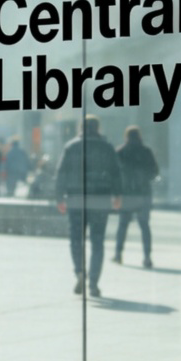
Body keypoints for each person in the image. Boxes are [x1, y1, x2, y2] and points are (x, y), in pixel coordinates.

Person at [55, 114, 122, 298]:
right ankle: (93, 283)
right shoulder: (107, 147)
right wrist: (117, 195)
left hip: (76, 198)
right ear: (98, 128)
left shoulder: (71, 146)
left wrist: (59, 197)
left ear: (81, 128)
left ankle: (79, 272)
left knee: (76, 238)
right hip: (100, 199)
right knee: (98, 241)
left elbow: (61, 173)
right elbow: (116, 173)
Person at [113, 125, 160, 268]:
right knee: (144, 226)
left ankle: (118, 254)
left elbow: (114, 175)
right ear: (139, 136)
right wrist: (144, 179)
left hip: (126, 193)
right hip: (143, 193)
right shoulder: (146, 151)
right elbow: (155, 172)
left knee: (123, 225)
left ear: (126, 136)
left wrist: (117, 193)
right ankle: (147, 257)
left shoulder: (120, 152)